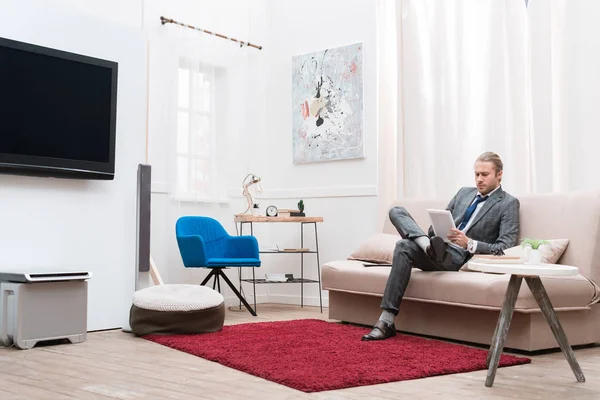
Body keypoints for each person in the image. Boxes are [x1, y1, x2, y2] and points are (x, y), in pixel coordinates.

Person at [362, 152, 520, 341]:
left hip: (457, 256)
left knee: (404, 244)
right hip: (437, 245)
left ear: (499, 175)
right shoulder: (463, 193)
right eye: (476, 174)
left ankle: (385, 321)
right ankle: (425, 245)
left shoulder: (508, 203)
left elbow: (505, 246)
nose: (479, 179)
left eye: (484, 174)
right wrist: (436, 231)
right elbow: (435, 225)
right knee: (397, 214)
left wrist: (469, 243)